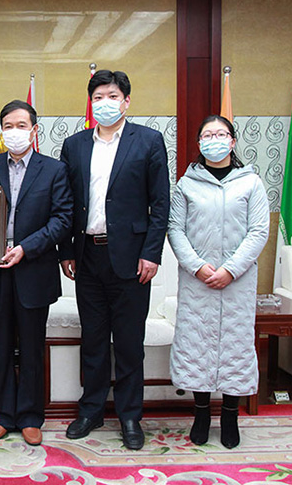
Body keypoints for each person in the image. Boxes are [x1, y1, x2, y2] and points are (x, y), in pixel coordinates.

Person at [58, 70, 170, 450]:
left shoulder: (149, 141)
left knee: (128, 343)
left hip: (132, 259)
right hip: (87, 255)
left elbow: (160, 204)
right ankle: (90, 410)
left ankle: (129, 416)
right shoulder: (74, 145)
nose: (104, 103)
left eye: (112, 96)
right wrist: (66, 251)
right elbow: (66, 204)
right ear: (91, 103)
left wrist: (151, 253)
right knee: (92, 340)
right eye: (98, 97)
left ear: (126, 101)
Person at [0, 100, 71, 446]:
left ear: (34, 130)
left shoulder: (54, 170)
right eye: (8, 126)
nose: (14, 132)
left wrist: (25, 247)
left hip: (33, 268)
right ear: (1, 130)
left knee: (31, 347)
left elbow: (62, 220)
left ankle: (29, 416)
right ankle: (3, 415)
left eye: (21, 126)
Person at [168, 115, 269, 449]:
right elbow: (175, 229)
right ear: (199, 143)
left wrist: (231, 269)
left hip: (237, 281)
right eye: (208, 135)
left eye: (221, 134)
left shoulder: (251, 183)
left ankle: (229, 415)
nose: (215, 140)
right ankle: (200, 414)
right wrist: (197, 267)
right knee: (197, 345)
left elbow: (259, 231)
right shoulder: (187, 184)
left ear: (233, 141)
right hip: (197, 279)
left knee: (235, 347)